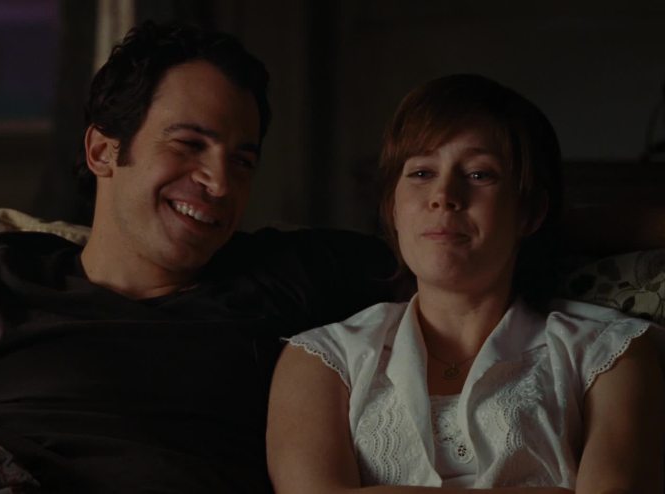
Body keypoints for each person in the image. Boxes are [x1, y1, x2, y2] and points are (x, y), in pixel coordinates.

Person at [0, 21, 397, 493]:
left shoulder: (289, 276)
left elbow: (437, 261)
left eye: (242, 161)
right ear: (103, 151)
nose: (220, 183)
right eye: (189, 144)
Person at [266, 74, 664, 493]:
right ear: (393, 208)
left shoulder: (609, 354)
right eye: (421, 172)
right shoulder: (322, 360)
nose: (444, 195)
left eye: (478, 174)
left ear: (530, 211)